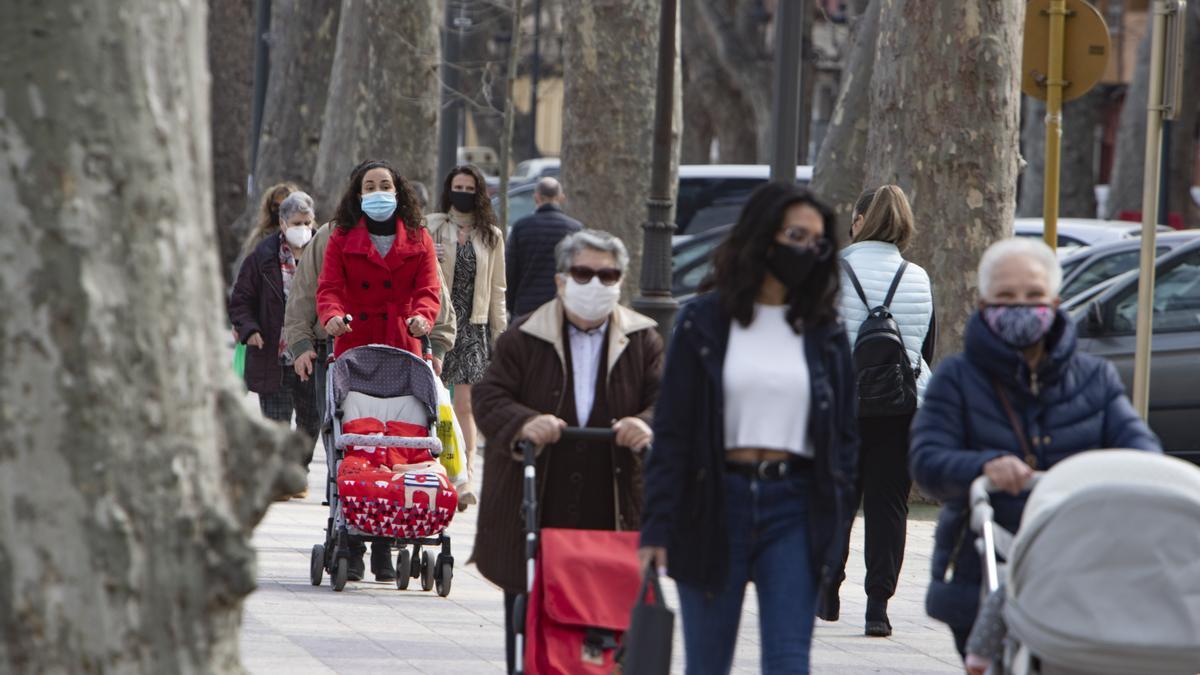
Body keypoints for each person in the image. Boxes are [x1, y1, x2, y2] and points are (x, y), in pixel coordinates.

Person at [638, 183, 859, 675]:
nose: (805, 250)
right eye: (794, 235)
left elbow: (844, 436)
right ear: (763, 235)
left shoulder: (826, 331)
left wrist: (835, 515)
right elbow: (672, 431)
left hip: (794, 506)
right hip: (714, 501)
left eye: (816, 242)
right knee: (707, 664)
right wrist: (655, 527)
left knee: (788, 662)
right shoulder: (703, 322)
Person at [909, 237, 1160, 657]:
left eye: (1034, 296)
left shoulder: (1095, 379)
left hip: (1081, 570)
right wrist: (985, 466)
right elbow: (927, 461)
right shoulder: (956, 378)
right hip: (983, 570)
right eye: (1006, 297)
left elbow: (1142, 455)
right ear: (984, 303)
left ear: (1056, 301)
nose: (1021, 307)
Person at [471, 229, 662, 675]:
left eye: (607, 275)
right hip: (539, 503)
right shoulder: (524, 336)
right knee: (531, 611)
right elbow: (489, 397)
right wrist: (524, 422)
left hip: (611, 503)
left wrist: (645, 424)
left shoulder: (642, 341)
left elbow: (668, 400)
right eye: (583, 273)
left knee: (609, 621)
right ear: (561, 281)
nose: (596, 284)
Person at [314, 159, 442, 582]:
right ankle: (351, 537)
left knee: (397, 442)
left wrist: (424, 317)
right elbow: (329, 287)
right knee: (357, 439)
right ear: (358, 194)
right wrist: (331, 315)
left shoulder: (419, 238)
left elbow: (428, 289)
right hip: (356, 344)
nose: (379, 191)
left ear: (398, 189)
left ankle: (387, 544)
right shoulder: (341, 237)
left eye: (385, 184)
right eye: (370, 186)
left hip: (402, 342)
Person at [827, 185, 936, 636]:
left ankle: (826, 592)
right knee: (889, 505)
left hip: (839, 405)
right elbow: (927, 348)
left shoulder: (833, 271)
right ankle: (877, 607)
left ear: (858, 221)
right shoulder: (918, 277)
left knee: (836, 499)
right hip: (899, 408)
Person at [229, 191, 322, 499]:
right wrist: (249, 329)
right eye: (297, 222)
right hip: (274, 352)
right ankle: (279, 477)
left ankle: (299, 471)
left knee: (311, 417)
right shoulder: (263, 256)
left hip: (311, 351)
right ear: (282, 223)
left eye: (308, 222)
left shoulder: (322, 252)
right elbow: (241, 299)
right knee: (277, 420)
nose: (303, 228)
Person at [425, 164, 507, 508]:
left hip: (473, 327)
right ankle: (436, 469)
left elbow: (498, 288)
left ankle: (466, 474)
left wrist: (499, 334)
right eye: (457, 186)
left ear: (480, 193)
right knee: (432, 401)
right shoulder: (432, 226)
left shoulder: (491, 235)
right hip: (437, 324)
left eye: (470, 188)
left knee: (465, 407)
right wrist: (431, 253)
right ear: (449, 189)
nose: (463, 193)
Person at [505, 177, 583, 317]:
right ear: (561, 198)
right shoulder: (575, 229)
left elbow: (510, 270)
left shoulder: (521, 227)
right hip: (562, 307)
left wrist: (510, 304)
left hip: (526, 307)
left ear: (536, 198)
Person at [240, 182, 299, 258]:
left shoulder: (304, 237)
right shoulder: (259, 238)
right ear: (269, 207)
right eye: (275, 205)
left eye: (284, 205)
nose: (279, 210)